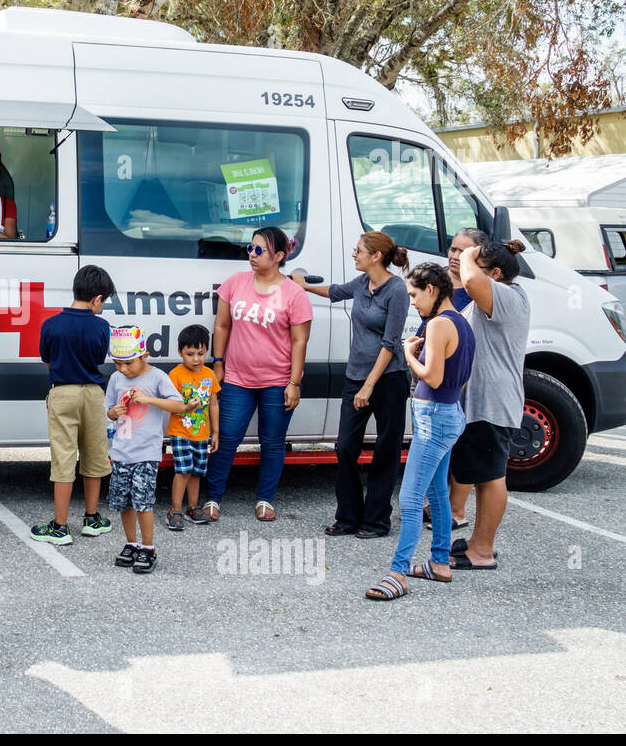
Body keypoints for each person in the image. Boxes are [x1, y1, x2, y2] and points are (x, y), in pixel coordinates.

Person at [365, 262, 475, 601]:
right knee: (438, 493)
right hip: (447, 414)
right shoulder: (461, 323)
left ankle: (398, 573)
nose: (412, 301)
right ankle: (439, 562)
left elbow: (434, 377)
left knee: (410, 499)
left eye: (414, 294)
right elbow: (460, 378)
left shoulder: (440, 324)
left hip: (436, 420)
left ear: (431, 289)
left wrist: (408, 353)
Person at [293, 231, 410, 539]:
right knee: (345, 447)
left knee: (386, 450)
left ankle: (375, 521)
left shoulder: (396, 290)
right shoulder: (361, 283)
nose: (354, 254)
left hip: (388, 380)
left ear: (376, 256)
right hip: (355, 376)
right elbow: (334, 291)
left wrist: (369, 386)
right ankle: (347, 518)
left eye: (359, 251)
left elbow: (390, 343)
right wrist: (303, 286)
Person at [203, 227, 313, 522]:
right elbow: (222, 326)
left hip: (278, 381)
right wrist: (218, 362)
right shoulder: (235, 283)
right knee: (226, 437)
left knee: (273, 441)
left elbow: (300, 341)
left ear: (278, 256)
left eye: (258, 250)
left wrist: (294, 382)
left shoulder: (294, 294)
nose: (251, 255)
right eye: (250, 248)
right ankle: (212, 498)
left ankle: (265, 499)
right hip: (237, 378)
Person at [449, 240, 531, 572]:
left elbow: (469, 281)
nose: (460, 261)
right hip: (481, 402)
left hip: (492, 402)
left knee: (492, 477)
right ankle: (477, 544)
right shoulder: (495, 298)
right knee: (483, 476)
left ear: (495, 274)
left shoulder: (509, 297)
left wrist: (469, 253)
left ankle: (482, 551)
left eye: (474, 262)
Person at [30, 264, 117, 546]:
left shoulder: (51, 325)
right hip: (93, 394)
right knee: (94, 455)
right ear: (96, 299)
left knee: (64, 459)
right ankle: (92, 519)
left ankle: (60, 526)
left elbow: (48, 361)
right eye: (103, 301)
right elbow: (98, 360)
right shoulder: (102, 327)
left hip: (63, 392)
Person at [105, 326, 190, 573]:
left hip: (146, 453)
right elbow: (107, 408)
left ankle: (148, 547)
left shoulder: (157, 377)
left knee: (143, 502)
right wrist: (113, 412)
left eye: (128, 363)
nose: (122, 369)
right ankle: (131, 543)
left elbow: (179, 405)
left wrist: (148, 399)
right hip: (121, 452)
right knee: (124, 502)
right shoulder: (116, 378)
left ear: (144, 356)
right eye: (117, 363)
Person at [165, 324, 220, 529]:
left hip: (201, 434)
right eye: (190, 354)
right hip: (180, 432)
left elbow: (213, 404)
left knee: (197, 472)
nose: (196, 359)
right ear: (180, 352)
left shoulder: (210, 375)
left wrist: (215, 432)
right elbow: (171, 404)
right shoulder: (175, 375)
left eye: (201, 353)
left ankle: (193, 507)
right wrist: (186, 407)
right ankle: (175, 509)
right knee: (183, 471)